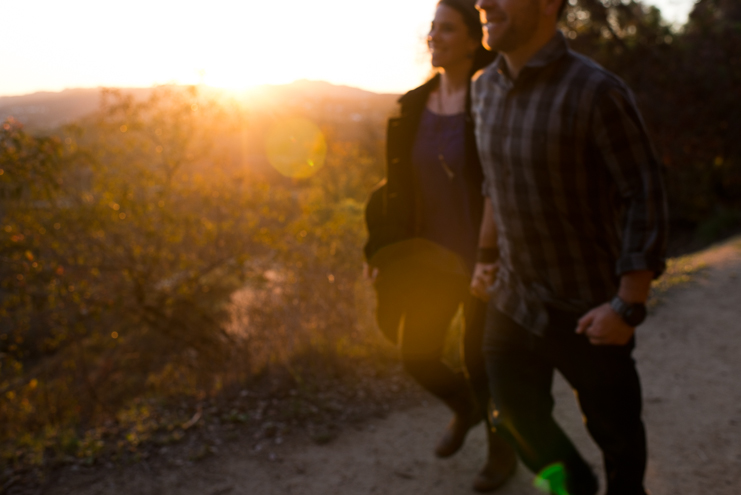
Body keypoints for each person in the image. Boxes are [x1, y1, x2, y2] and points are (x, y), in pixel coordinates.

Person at [468, 0, 669, 493]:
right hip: (513, 300)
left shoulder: (596, 91)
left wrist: (627, 304)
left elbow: (643, 193)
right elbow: (495, 183)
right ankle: (577, 487)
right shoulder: (483, 88)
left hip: (588, 307)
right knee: (511, 417)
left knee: (619, 440)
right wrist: (486, 257)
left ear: (545, 5)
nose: (483, 3)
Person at [363, 0, 516, 491]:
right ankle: (465, 408)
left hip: (486, 261)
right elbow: (395, 190)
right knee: (418, 356)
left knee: (482, 363)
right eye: (432, 29)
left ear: (475, 39)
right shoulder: (412, 106)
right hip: (430, 261)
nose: (435, 37)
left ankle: (501, 455)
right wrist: (382, 251)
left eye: (447, 29)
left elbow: (508, 180)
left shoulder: (494, 98)